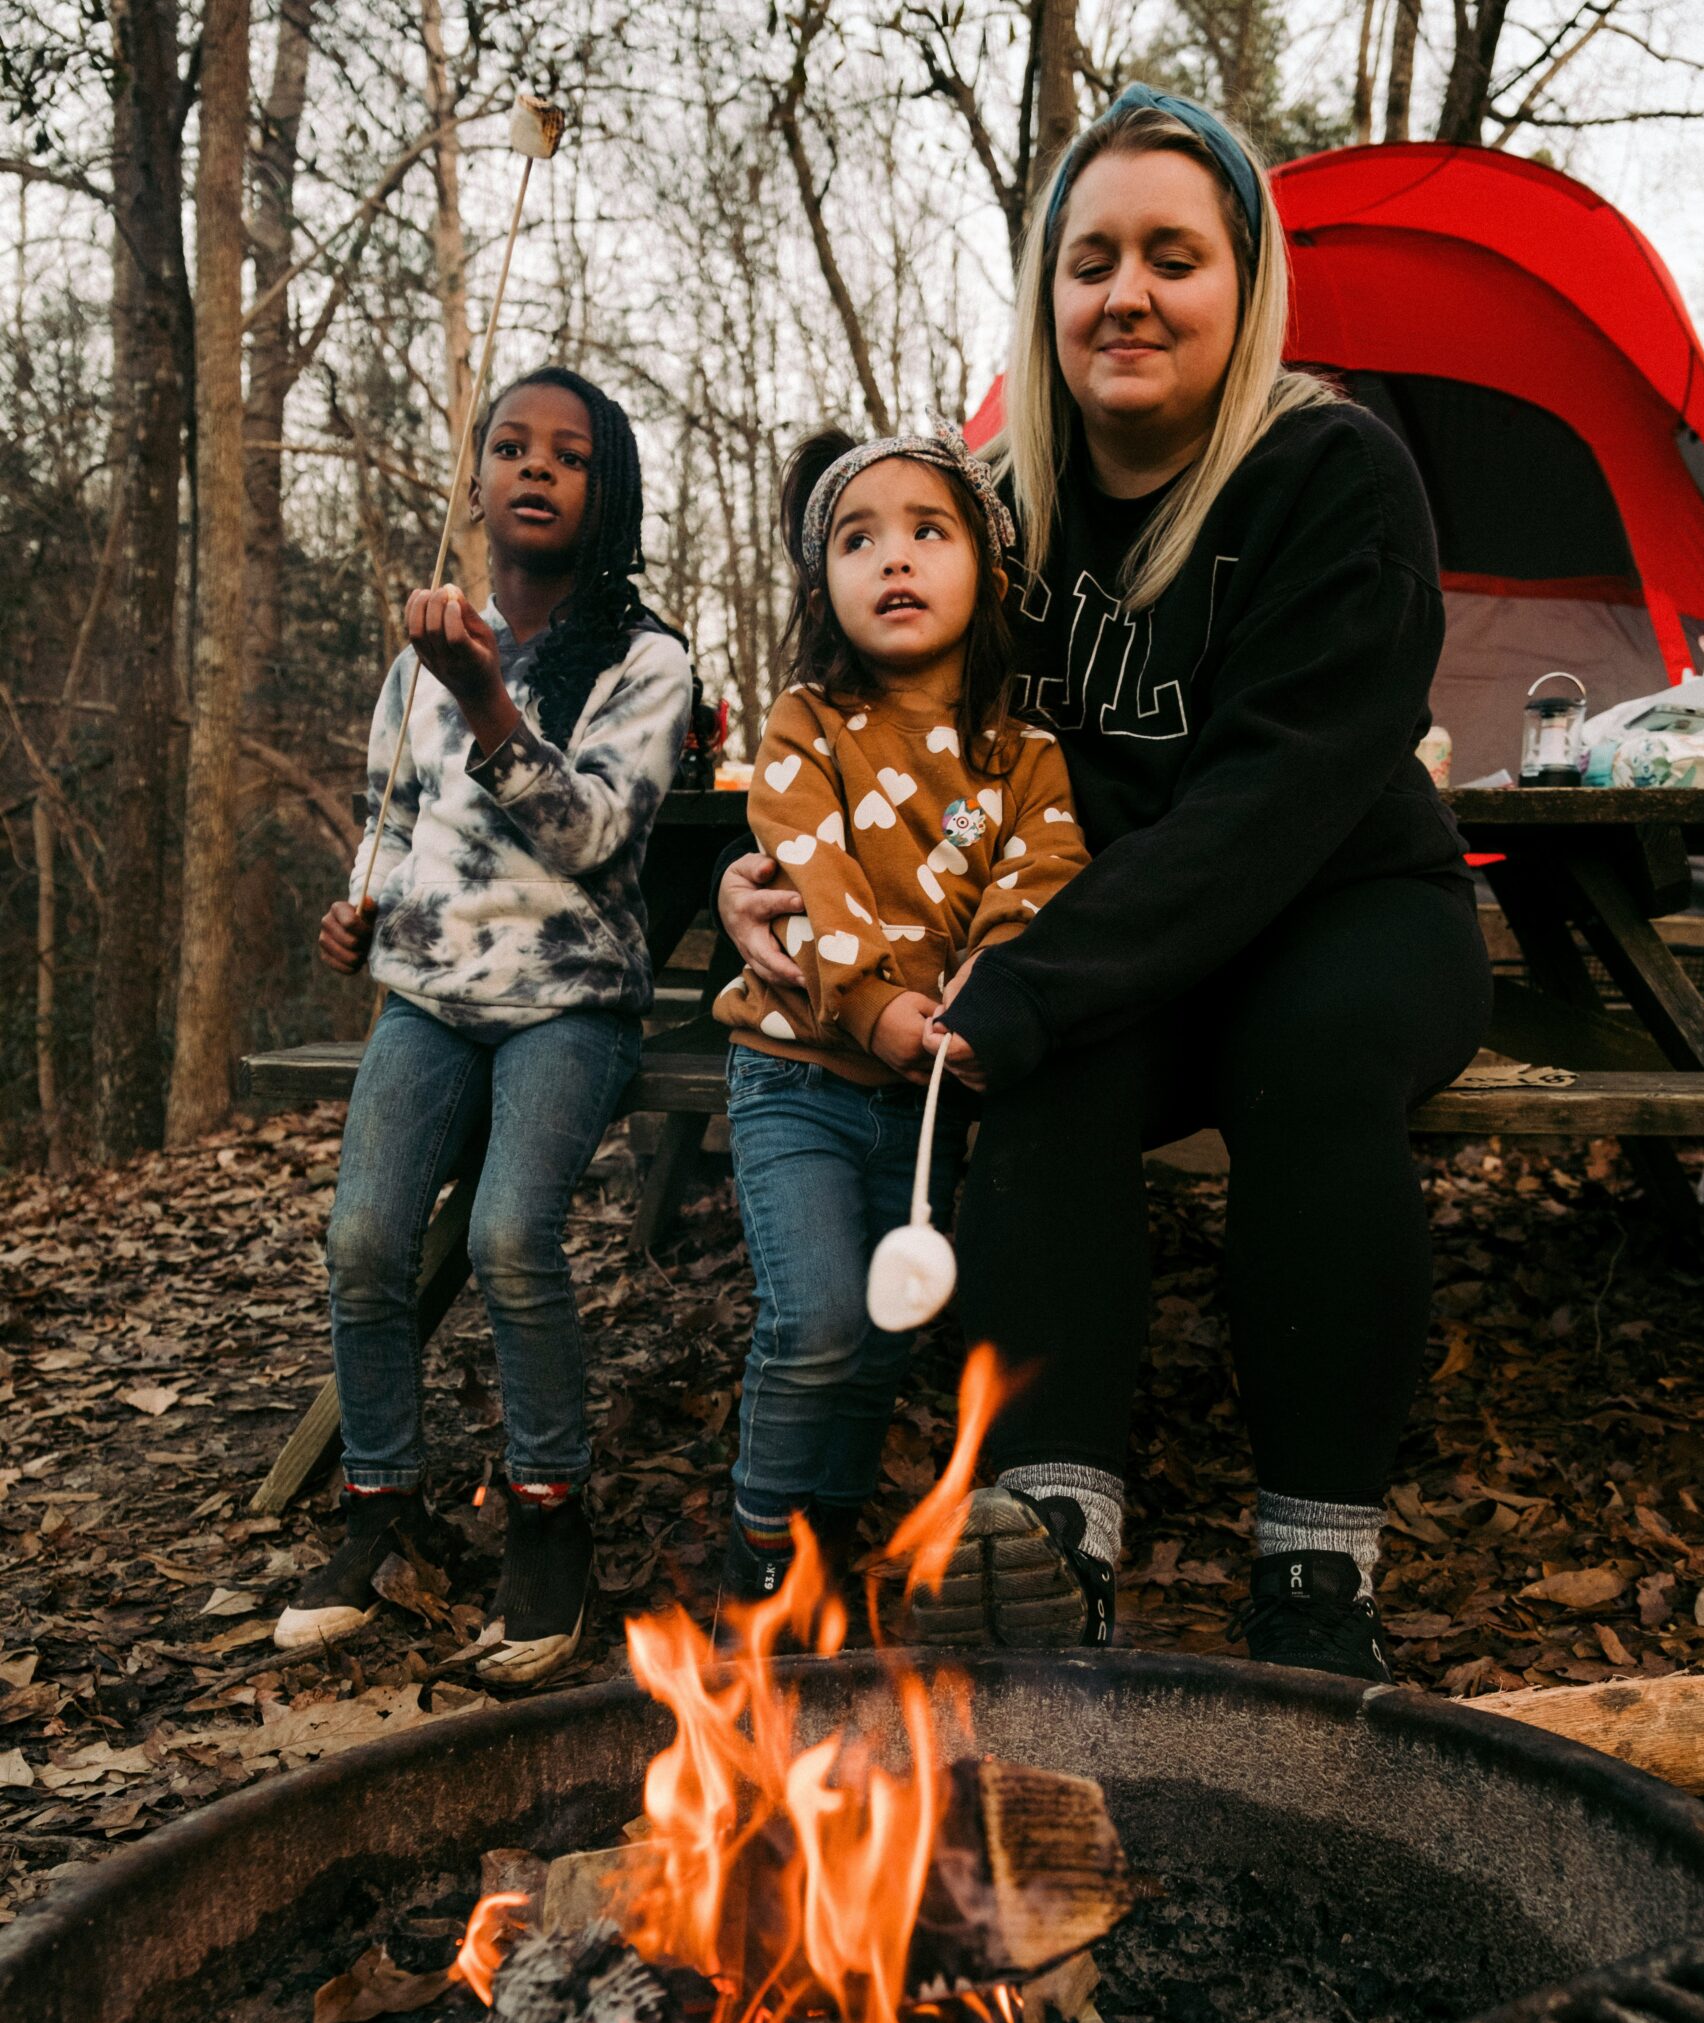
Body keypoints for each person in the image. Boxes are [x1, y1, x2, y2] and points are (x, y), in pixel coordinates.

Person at [718, 89, 1491, 1675]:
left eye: (1170, 255)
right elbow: (872, 725)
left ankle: (1313, 1573)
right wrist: (766, 870)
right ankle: (1052, 1537)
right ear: (1043, 294)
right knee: (1043, 1081)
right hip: (1102, 933)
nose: (1124, 292)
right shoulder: (997, 509)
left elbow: (1273, 800)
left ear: (1243, 284)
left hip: (1346, 907)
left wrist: (1029, 989)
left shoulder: (1334, 477)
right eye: (1088, 260)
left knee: (1305, 1052)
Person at [274, 366, 692, 1683]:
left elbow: (589, 837)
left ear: (603, 492)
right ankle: (379, 1510)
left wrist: (491, 704)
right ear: (477, 479)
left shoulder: (645, 660)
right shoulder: (423, 656)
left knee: (512, 1234)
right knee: (362, 1241)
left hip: (568, 1002)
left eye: (566, 456)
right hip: (429, 998)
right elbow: (390, 815)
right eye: (510, 447)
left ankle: (547, 1521)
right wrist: (359, 909)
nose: (533, 469)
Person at [715, 425, 1091, 1606]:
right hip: (798, 1078)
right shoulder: (804, 725)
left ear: (985, 566)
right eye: (857, 538)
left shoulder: (1023, 754)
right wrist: (875, 1003)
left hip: (923, 1102)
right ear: (822, 581)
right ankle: (761, 1554)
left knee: (882, 1331)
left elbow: (1042, 876)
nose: (894, 560)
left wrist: (993, 984)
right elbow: (808, 869)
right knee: (818, 1315)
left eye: (928, 532)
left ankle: (826, 1543)